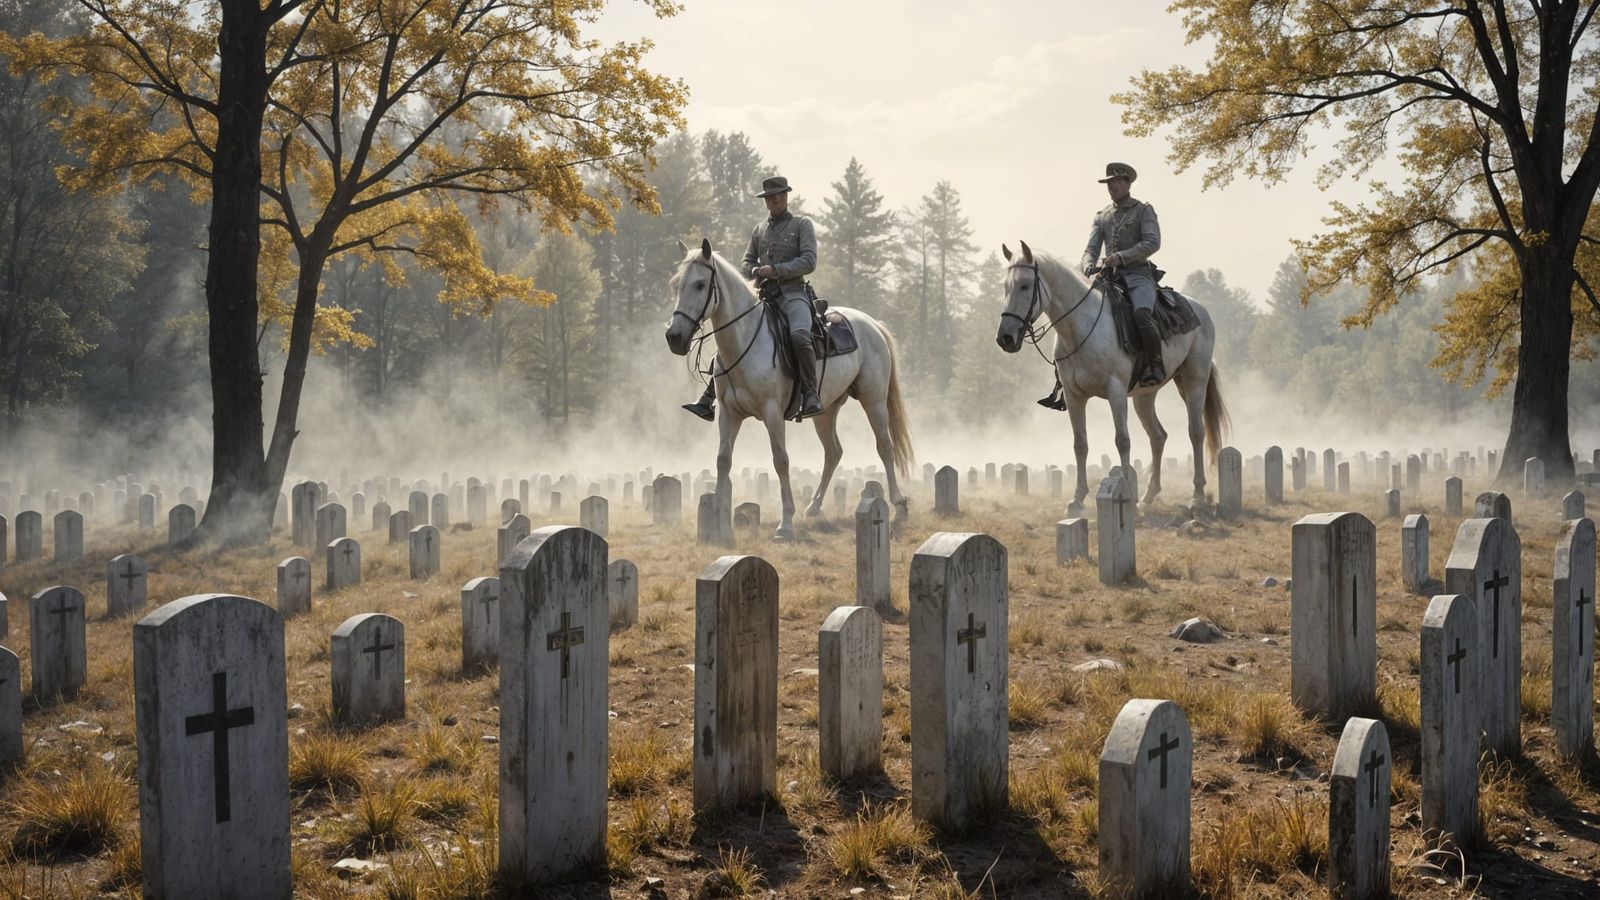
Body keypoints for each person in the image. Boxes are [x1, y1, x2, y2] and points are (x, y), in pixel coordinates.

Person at [683, 175, 824, 421]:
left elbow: (809, 261)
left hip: (794, 294)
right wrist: (754, 270)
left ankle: (811, 394)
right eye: (769, 197)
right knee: (733, 339)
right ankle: (709, 397)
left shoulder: (802, 225)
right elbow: (746, 261)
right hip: (765, 296)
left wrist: (776, 270)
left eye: (777, 196)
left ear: (786, 196)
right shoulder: (759, 230)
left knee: (799, 336)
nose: (773, 200)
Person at [1081, 162, 1165, 388]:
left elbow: (1152, 242)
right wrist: (1087, 264)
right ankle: (1067, 377)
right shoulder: (1102, 216)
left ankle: (1155, 365)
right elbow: (1091, 249)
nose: (1112, 186)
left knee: (1141, 314)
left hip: (1138, 275)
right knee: (1079, 310)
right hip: (1109, 278)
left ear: (1128, 183)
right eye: (1109, 183)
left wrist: (1121, 257)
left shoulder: (1143, 210)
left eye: (1117, 181)